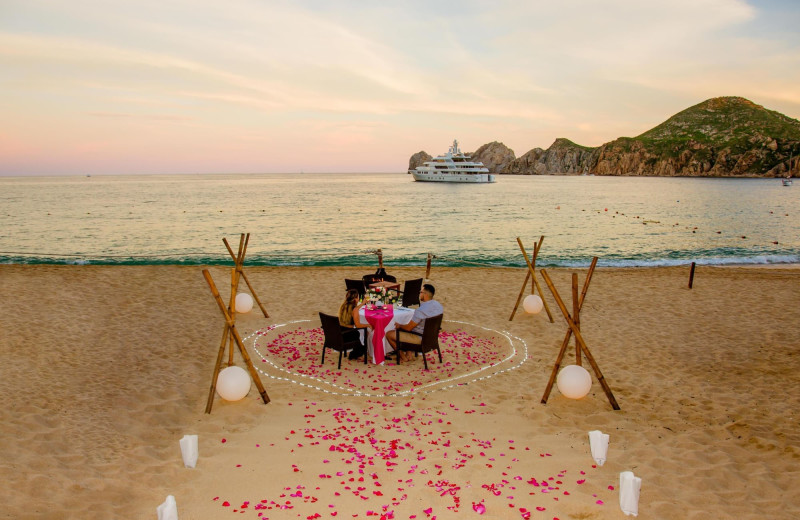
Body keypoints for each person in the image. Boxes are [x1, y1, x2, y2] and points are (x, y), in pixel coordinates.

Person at [386, 283, 443, 362]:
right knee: (410, 328)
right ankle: (408, 354)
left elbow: (408, 328)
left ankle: (403, 357)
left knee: (389, 334)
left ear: (425, 294)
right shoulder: (439, 306)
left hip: (420, 338)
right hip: (432, 337)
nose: (419, 294)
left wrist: (400, 325)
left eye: (421, 292)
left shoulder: (421, 311)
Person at [338, 289, 372, 361]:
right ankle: (356, 354)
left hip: (340, 332)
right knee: (366, 332)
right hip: (349, 335)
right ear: (356, 298)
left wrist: (362, 304)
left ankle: (356, 353)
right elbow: (358, 325)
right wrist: (368, 325)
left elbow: (355, 309)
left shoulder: (343, 305)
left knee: (361, 332)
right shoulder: (354, 309)